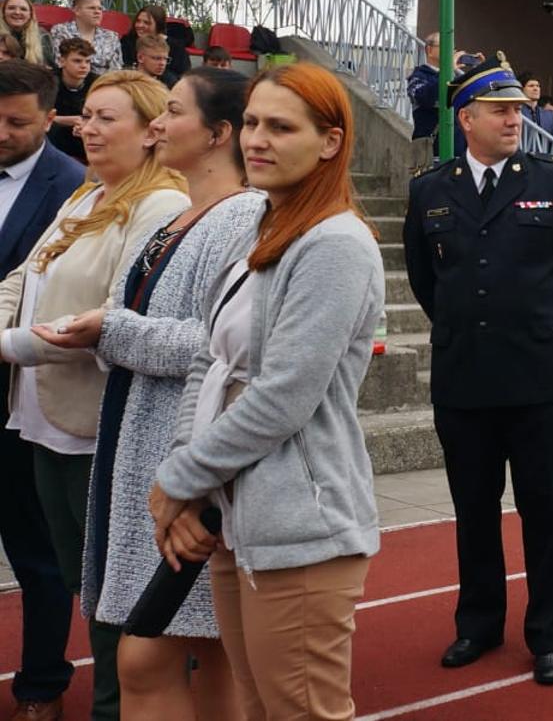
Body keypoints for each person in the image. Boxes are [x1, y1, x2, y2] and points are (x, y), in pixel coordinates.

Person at [147, 62, 382, 720]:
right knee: (255, 708)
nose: (256, 139)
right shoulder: (261, 229)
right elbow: (207, 358)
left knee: (302, 713)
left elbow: (283, 396)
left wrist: (179, 480)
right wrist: (186, 479)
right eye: (251, 122)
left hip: (300, 527)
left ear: (330, 142)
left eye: (281, 127)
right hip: (237, 520)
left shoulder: (336, 244)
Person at [33, 67, 262, 720]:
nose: (157, 124)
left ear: (218, 134)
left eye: (173, 111)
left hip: (187, 468)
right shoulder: (189, 214)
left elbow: (225, 348)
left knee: (149, 657)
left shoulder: (240, 217)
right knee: (213, 659)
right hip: (149, 457)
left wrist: (114, 330)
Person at [0, 69, 190, 719]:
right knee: (85, 583)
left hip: (99, 427)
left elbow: (114, 315)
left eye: (107, 118)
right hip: (44, 418)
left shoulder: (158, 205)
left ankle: (122, 707)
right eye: (88, 117)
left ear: (149, 133)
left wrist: (10, 346)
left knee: (117, 591)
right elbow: (24, 279)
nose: (87, 127)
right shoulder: (87, 195)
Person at [402, 54, 553, 684]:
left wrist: (543, 334)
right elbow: (427, 280)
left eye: (517, 108)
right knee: (474, 511)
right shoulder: (431, 188)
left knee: (545, 513)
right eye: (501, 110)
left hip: (535, 377)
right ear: (467, 118)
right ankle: (478, 624)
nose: (516, 119)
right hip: (464, 378)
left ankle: (548, 634)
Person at [0, 59, 87, 721]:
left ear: (50, 118)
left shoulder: (73, 189)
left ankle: (41, 686)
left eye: (16, 122)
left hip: (22, 402)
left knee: (39, 556)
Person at [47, 0, 121, 75]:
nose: (97, 12)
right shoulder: (61, 31)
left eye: (100, 8)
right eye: (92, 8)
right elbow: (59, 63)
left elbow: (116, 69)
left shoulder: (111, 36)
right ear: (77, 10)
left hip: (103, 84)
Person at [49, 38, 95, 163]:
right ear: (62, 61)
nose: (84, 66)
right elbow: (36, 117)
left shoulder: (97, 84)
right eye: (77, 61)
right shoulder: (46, 82)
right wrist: (66, 121)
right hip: (54, 140)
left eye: (88, 61)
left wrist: (86, 124)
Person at [119, 5, 189, 79]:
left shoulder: (176, 47)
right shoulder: (127, 41)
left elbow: (184, 75)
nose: (140, 25)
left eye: (147, 23)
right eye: (138, 21)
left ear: (159, 25)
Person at [407, 31, 447, 140]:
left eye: (451, 46)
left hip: (458, 151)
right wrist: (447, 71)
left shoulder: (456, 76)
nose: (449, 50)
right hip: (431, 149)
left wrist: (479, 69)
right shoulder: (418, 77)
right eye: (444, 45)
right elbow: (426, 98)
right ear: (429, 50)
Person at [3, 0, 54, 68]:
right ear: (3, 12)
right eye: (11, 8)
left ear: (30, 14)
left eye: (23, 9)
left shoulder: (42, 36)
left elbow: (49, 68)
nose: (17, 12)